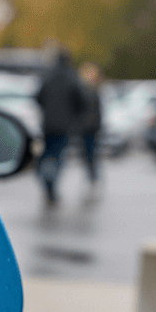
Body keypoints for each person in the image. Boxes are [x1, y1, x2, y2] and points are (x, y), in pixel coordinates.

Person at [35, 48, 87, 204]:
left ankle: (47, 180)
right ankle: (51, 181)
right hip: (64, 126)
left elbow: (37, 96)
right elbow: (82, 100)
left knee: (47, 155)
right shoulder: (71, 77)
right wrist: (74, 117)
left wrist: (47, 110)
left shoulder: (47, 76)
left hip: (47, 125)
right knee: (57, 156)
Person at [77, 62, 103, 185]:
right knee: (87, 155)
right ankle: (91, 178)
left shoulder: (94, 90)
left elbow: (98, 111)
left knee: (91, 155)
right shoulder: (81, 89)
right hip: (84, 128)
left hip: (92, 128)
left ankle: (93, 179)